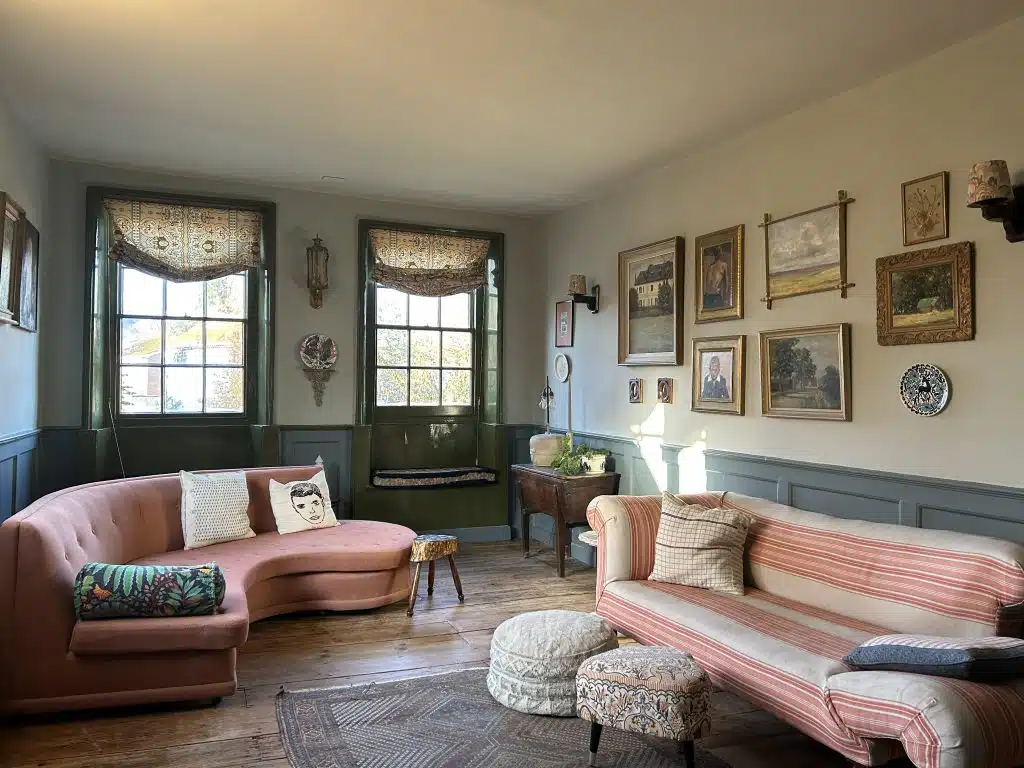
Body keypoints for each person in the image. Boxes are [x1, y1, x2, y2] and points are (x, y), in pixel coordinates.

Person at [702, 245, 731, 310]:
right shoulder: (711, 266)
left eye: (719, 251)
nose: (719, 253)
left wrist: (726, 297)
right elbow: (707, 283)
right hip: (709, 296)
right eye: (717, 252)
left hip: (714, 295)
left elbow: (726, 282)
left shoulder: (723, 265)